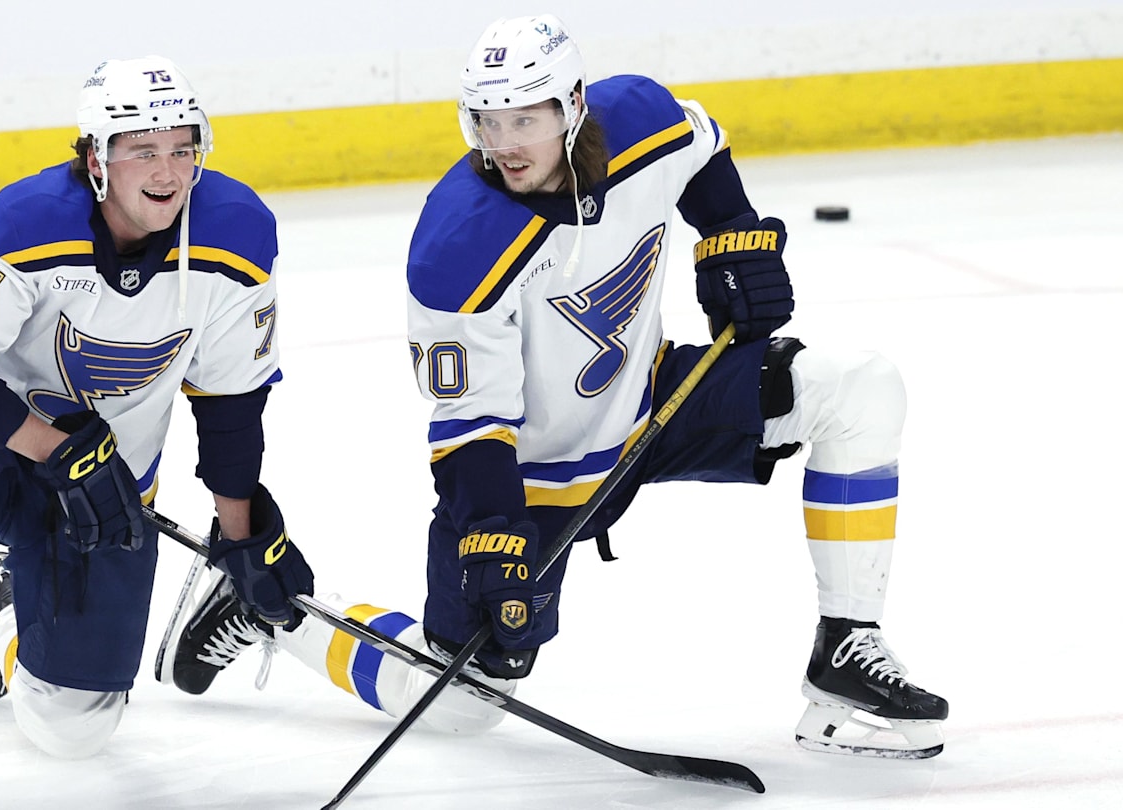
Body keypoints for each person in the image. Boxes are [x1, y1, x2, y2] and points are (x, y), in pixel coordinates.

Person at [170, 14, 949, 760]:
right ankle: (275, 612)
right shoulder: (458, 244)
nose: (505, 144)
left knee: (861, 388)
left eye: (525, 119)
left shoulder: (642, 117)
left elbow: (703, 146)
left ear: (573, 105)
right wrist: (493, 530)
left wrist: (730, 233)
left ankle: (845, 650)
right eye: (487, 121)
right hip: (530, 480)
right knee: (463, 703)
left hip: (653, 405)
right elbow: (470, 422)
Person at [0, 56, 314, 809]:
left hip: (106, 499)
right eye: (142, 150)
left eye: (182, 148)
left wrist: (241, 540)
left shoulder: (237, 232)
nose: (167, 170)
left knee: (72, 729)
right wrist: (56, 449)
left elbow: (231, 403)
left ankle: (6, 608)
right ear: (96, 158)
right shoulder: (27, 221)